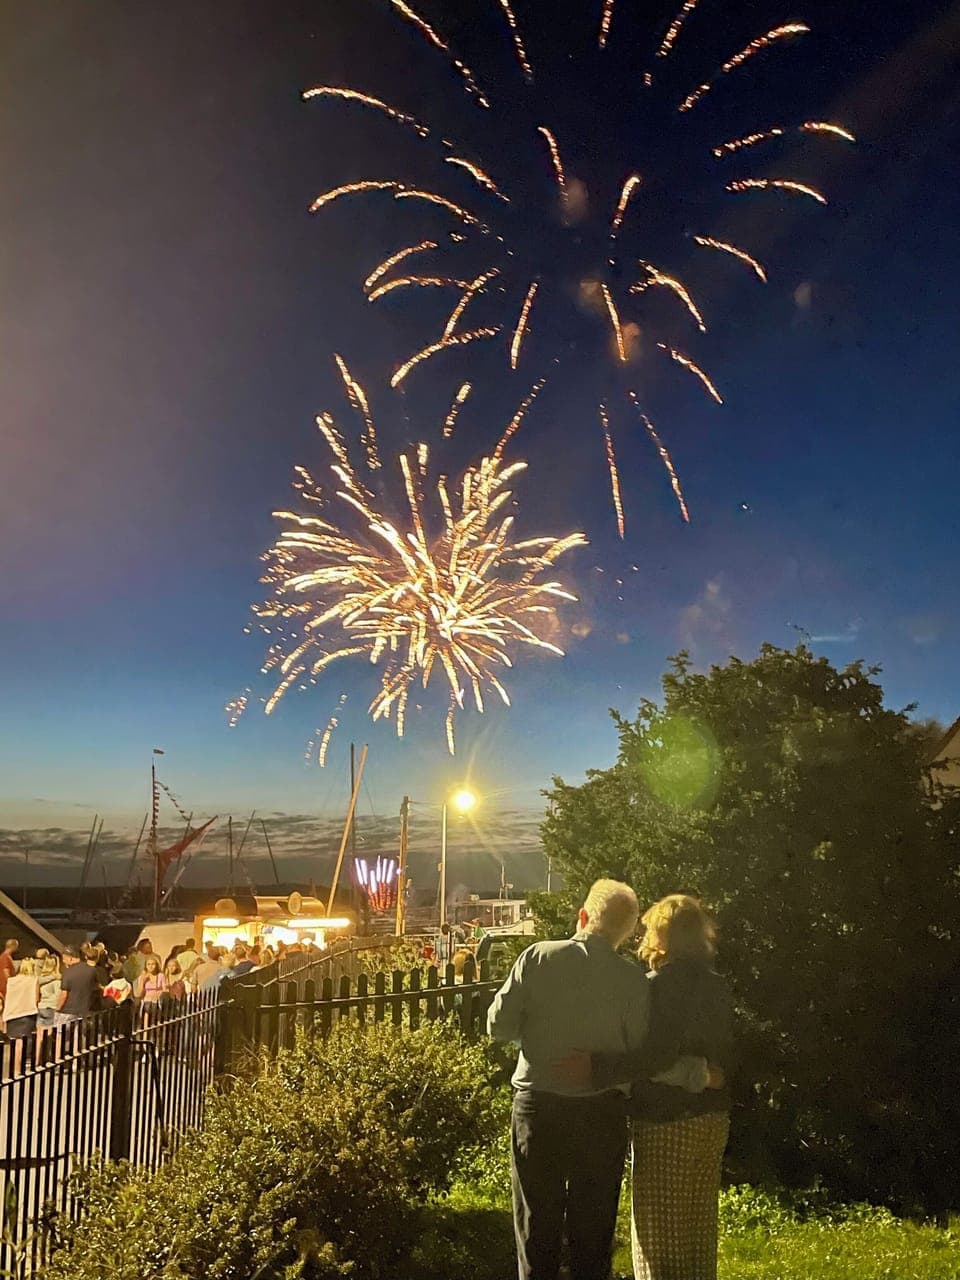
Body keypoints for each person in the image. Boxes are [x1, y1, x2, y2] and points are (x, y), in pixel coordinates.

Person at [487, 879, 710, 1280]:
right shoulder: (631, 981)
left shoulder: (538, 957)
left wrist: (539, 1031)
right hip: (601, 1112)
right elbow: (639, 1053)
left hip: (539, 1108)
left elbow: (498, 1027)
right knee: (593, 1230)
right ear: (627, 933)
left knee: (536, 1224)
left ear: (583, 915)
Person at [589, 895, 735, 1280]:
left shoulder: (657, 986)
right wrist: (706, 1076)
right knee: (698, 1234)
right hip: (714, 1117)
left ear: (662, 936)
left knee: (659, 1242)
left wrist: (602, 1067)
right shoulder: (717, 986)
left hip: (666, 1120)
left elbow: (652, 1058)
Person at [56, 945, 99, 1028]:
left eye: (64, 958)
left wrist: (57, 1009)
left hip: (68, 1011)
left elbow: (64, 994)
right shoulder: (92, 970)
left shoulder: (67, 972)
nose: (64, 961)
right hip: (85, 1010)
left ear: (71, 958)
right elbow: (96, 988)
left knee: (62, 1037)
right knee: (79, 1036)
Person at [2, 957, 39, 1044]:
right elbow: (36, 999)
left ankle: (15, 1058)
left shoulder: (11, 981)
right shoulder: (33, 980)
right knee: (25, 1043)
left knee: (14, 1042)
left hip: (11, 1015)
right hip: (27, 1014)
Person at [36, 950, 62, 1033]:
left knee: (39, 1033)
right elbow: (58, 996)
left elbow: (38, 981)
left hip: (41, 1007)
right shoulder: (57, 981)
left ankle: (39, 1046)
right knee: (49, 1033)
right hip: (51, 1007)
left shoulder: (40, 978)